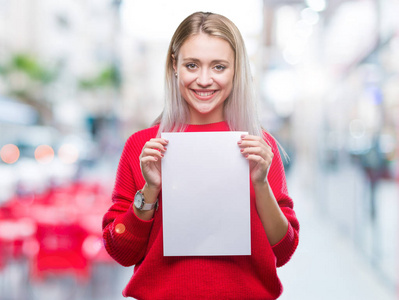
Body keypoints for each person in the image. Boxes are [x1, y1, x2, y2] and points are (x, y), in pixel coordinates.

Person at [102, 11, 299, 300]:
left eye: (219, 67)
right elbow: (120, 250)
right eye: (192, 65)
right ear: (175, 66)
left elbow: (283, 250)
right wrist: (150, 190)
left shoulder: (259, 146)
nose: (204, 80)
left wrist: (261, 184)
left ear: (236, 70)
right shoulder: (143, 146)